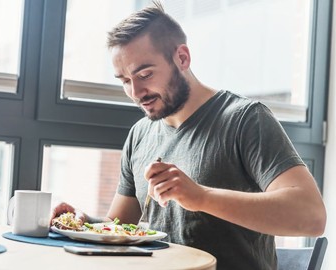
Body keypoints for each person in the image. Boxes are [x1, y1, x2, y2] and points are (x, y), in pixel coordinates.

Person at [51, 1, 326, 269]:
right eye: (124, 81)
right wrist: (83, 222)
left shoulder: (246, 119)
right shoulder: (140, 134)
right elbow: (120, 227)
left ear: (182, 58)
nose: (135, 93)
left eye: (145, 74)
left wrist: (201, 197)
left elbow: (311, 216)